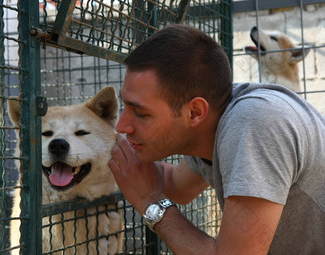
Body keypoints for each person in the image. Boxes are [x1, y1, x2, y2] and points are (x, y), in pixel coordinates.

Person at [108, 24, 325, 254]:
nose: (122, 126)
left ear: (195, 112)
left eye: (141, 113)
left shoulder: (254, 122)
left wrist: (151, 203)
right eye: (125, 106)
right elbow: (175, 185)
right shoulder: (216, 118)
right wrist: (104, 154)